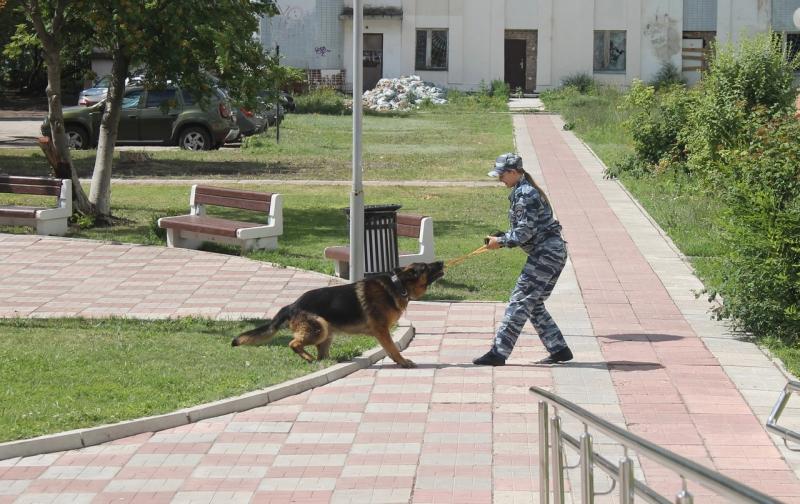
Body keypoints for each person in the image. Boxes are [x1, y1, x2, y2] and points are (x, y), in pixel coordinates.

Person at [473, 152, 573, 366]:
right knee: (533, 303)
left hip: (546, 254)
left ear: (512, 172)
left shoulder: (525, 194)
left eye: (501, 175)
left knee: (519, 301)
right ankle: (559, 349)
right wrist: (501, 236)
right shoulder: (523, 190)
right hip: (553, 252)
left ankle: (498, 353)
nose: (499, 179)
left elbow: (523, 233)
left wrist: (499, 242)